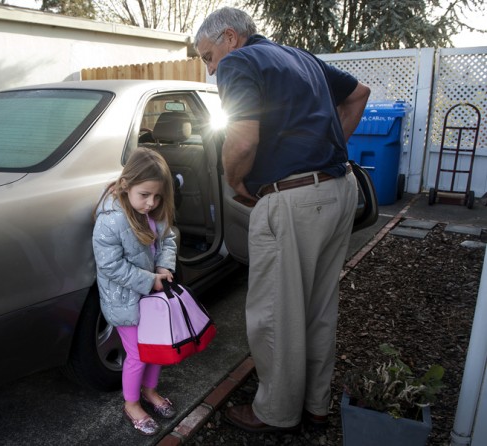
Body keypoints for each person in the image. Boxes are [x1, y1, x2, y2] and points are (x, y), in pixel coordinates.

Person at [194, 7, 371, 433]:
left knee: (275, 314)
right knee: (318, 309)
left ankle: (275, 413)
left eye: (207, 56)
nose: (210, 67)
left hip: (293, 202)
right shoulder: (301, 57)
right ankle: (315, 406)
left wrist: (236, 183)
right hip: (338, 189)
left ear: (230, 38)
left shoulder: (237, 63)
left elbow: (241, 139)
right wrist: (323, 153)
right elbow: (359, 94)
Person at [92, 147, 178, 436]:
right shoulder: (111, 219)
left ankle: (150, 391)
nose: (151, 203)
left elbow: (168, 239)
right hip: (125, 302)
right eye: (145, 195)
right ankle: (131, 404)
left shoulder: (153, 211)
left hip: (151, 298)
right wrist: (149, 280)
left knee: (155, 350)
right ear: (126, 185)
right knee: (139, 354)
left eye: (157, 196)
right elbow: (110, 266)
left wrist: (165, 267)